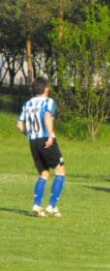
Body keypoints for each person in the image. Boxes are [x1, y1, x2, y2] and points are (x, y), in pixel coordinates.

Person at [17, 77, 66, 217]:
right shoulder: (48, 101)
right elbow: (46, 115)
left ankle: (37, 206)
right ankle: (52, 206)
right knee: (60, 171)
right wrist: (51, 135)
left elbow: (20, 125)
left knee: (44, 173)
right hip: (46, 139)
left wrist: (31, 134)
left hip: (33, 141)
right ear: (46, 89)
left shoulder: (28, 104)